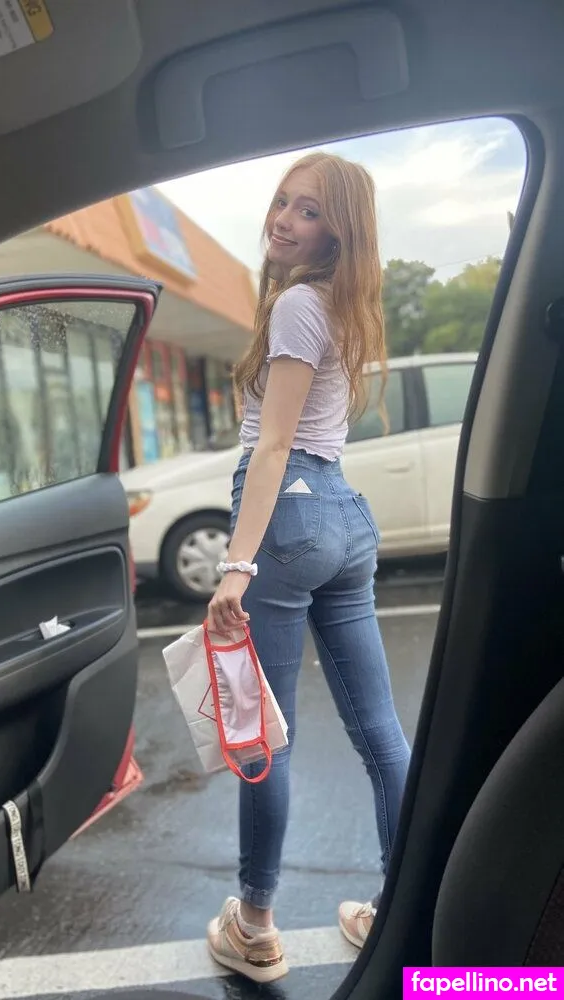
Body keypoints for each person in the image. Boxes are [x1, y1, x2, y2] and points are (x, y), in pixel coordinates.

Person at [204, 152, 412, 984]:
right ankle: (404, 908)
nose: (285, 220)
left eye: (311, 211)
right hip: (343, 517)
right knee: (382, 735)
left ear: (340, 233)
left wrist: (236, 567)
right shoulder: (345, 306)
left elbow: (274, 445)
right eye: (284, 202)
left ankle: (255, 927)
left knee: (268, 739)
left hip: (287, 519)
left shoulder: (297, 304)